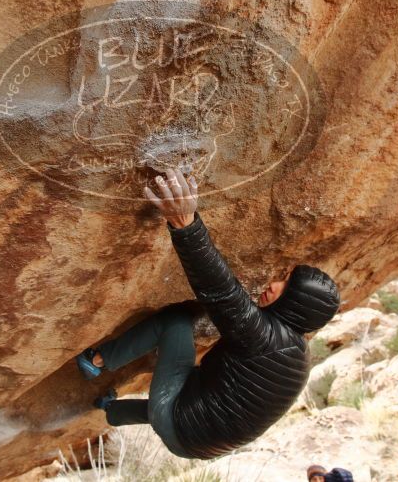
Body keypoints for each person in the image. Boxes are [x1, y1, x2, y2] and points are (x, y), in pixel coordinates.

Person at [75, 167, 341, 459]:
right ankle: (110, 410)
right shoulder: (298, 354)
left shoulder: (264, 339)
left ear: (296, 303)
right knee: (190, 392)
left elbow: (220, 291)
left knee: (176, 323)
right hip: (201, 442)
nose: (274, 284)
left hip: (180, 422)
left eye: (286, 286)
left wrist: (185, 224)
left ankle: (97, 361)